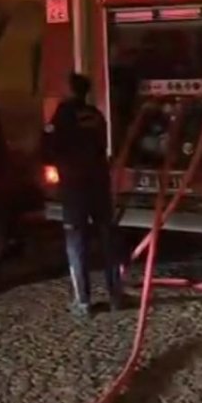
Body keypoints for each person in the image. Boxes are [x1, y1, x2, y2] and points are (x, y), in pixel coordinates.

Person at [44, 72, 123, 319]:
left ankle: (83, 302)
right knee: (108, 239)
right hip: (99, 183)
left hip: (75, 187)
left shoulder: (63, 113)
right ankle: (116, 296)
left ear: (70, 90)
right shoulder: (96, 115)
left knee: (76, 242)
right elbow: (102, 146)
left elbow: (50, 145)